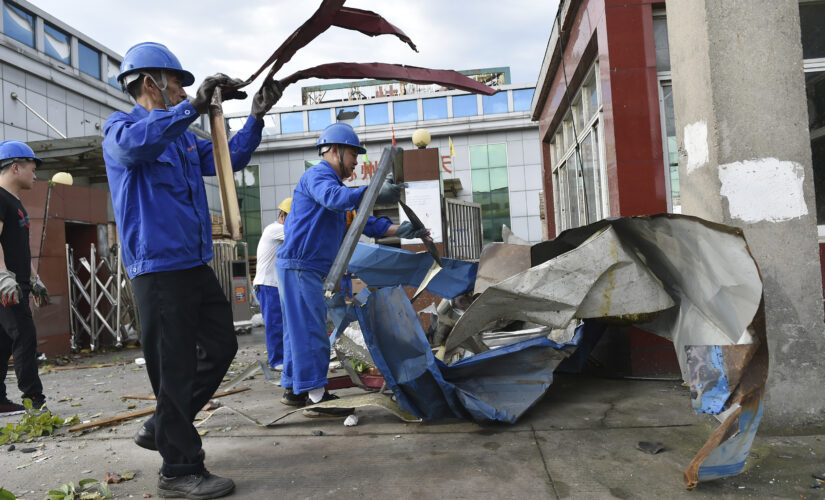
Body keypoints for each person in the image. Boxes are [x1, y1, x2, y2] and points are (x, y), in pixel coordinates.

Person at [102, 41, 282, 500]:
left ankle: (164, 423)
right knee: (174, 368)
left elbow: (227, 159)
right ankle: (179, 471)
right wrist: (194, 109)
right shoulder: (122, 128)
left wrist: (256, 117)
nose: (184, 92)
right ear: (150, 83)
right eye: (178, 83)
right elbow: (135, 149)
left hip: (192, 264)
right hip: (158, 269)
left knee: (221, 344)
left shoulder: (181, 136)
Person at [275, 122, 428, 416]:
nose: (357, 161)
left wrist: (404, 230)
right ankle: (317, 398)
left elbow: (364, 223)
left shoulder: (336, 187)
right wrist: (373, 192)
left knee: (298, 332)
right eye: (353, 154)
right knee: (309, 331)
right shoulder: (319, 176)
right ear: (335, 151)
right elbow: (336, 199)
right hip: (300, 266)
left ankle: (295, 390)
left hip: (304, 268)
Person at [0, 140, 50, 416]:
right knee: (25, 337)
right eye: (32, 168)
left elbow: (17, 247)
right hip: (5, 286)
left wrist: (34, 278)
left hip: (16, 284)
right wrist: (3, 277)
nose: (35, 174)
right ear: (15, 167)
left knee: (4, 341)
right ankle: (35, 401)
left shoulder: (14, 203)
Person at [253, 197, 291, 372]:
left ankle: (282, 357)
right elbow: (300, 235)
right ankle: (276, 360)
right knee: (275, 323)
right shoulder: (275, 229)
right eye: (293, 218)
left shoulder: (281, 230)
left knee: (282, 323)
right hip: (268, 284)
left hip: (274, 285)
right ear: (283, 215)